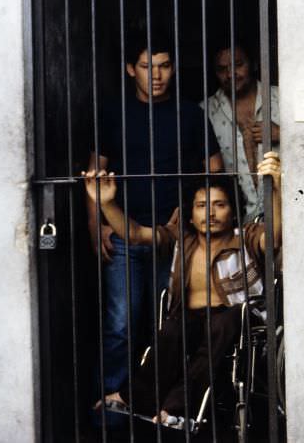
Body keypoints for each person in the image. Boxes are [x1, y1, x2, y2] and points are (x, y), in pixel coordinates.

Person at [83, 151, 282, 425]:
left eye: (219, 204)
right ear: (189, 213)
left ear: (233, 210)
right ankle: (135, 397)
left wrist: (277, 187)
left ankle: (177, 408)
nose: (210, 213)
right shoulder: (181, 238)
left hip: (237, 320)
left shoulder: (245, 238)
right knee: (173, 328)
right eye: (201, 205)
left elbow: (273, 238)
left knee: (223, 322)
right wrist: (105, 204)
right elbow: (134, 234)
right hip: (192, 320)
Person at [87, 27, 223, 422]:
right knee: (121, 323)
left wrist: (194, 208)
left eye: (165, 66)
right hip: (123, 232)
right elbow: (94, 174)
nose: (158, 75)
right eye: (148, 66)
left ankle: (157, 407)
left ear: (174, 68)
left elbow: (214, 172)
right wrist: (95, 229)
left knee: (167, 326)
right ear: (132, 69)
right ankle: (110, 413)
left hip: (176, 238)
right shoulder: (113, 112)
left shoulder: (190, 114)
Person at [202, 41, 281, 221]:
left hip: (285, 212)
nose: (230, 74)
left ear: (253, 64)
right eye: (222, 69)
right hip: (235, 221)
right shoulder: (205, 112)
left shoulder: (282, 99)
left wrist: (285, 134)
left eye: (238, 65)